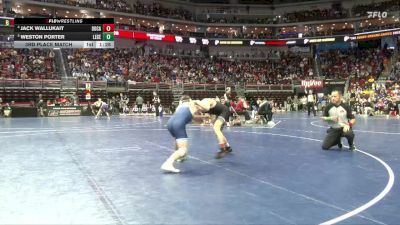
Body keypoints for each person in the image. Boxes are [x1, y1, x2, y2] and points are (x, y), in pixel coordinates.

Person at [161, 96, 202, 173]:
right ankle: (168, 163)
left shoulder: (179, 107)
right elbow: (196, 118)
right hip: (178, 124)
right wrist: (204, 117)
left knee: (177, 139)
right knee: (183, 150)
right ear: (190, 100)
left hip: (169, 123)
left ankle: (178, 157)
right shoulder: (191, 104)